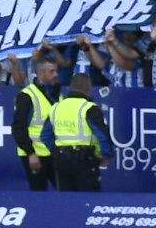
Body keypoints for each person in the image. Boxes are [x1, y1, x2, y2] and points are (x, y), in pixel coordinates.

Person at [47, 72, 105, 191]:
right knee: (88, 199)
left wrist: (55, 151)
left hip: (61, 158)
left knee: (66, 199)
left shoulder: (56, 107)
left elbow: (44, 135)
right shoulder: (89, 107)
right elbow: (102, 135)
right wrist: (102, 154)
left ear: (71, 87)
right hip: (85, 158)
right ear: (88, 88)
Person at [12, 53, 60, 190]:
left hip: (54, 153)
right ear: (41, 73)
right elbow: (18, 128)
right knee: (39, 193)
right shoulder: (27, 95)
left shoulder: (56, 92)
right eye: (52, 71)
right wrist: (30, 153)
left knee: (64, 192)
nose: (56, 74)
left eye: (56, 71)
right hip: (35, 155)